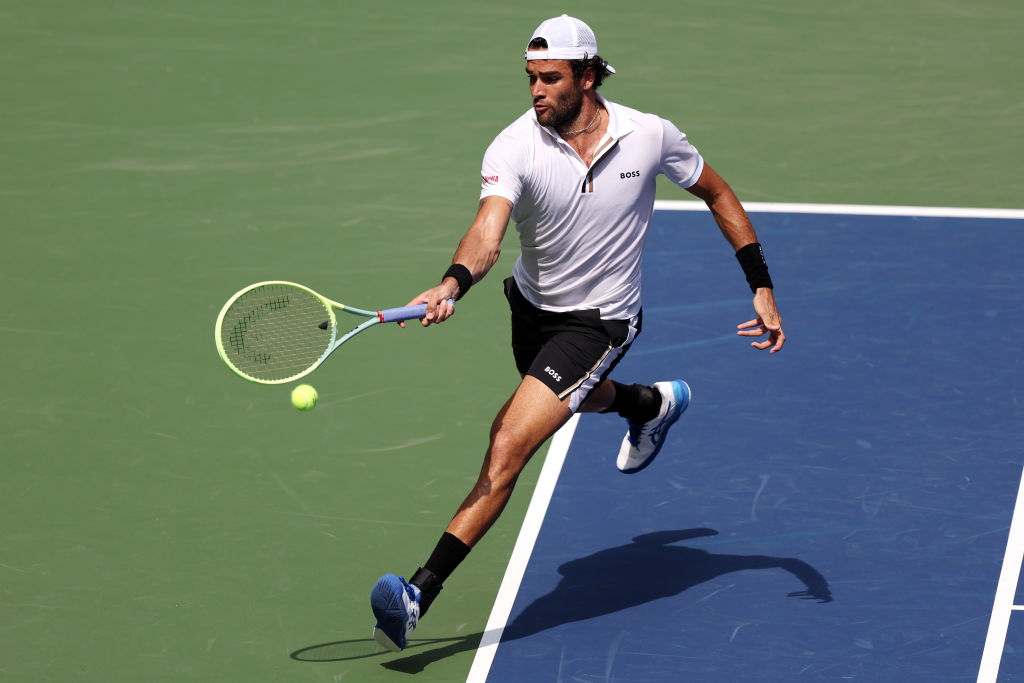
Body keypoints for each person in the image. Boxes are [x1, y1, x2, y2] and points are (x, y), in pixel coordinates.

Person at [369, 14, 785, 652]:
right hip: (530, 308)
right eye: (530, 78)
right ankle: (649, 404)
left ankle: (417, 594)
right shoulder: (514, 146)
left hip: (600, 320)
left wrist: (760, 283)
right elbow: (487, 232)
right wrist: (452, 282)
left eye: (550, 78)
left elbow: (718, 193)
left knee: (508, 443)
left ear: (587, 77)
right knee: (566, 394)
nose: (536, 90)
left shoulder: (649, 135)